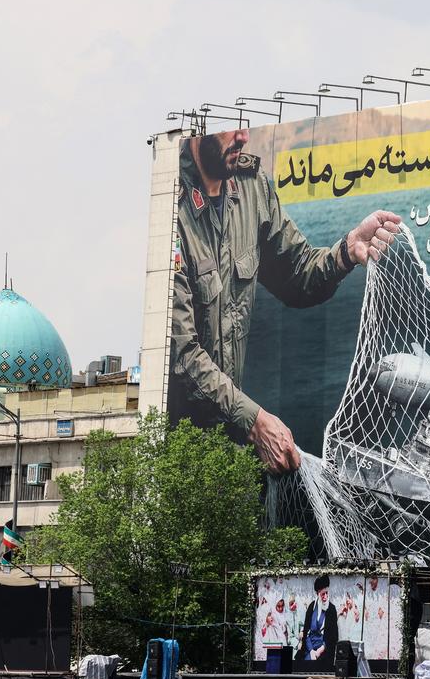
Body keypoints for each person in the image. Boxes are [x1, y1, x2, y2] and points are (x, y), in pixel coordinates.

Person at [168, 127, 401, 473]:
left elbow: (297, 275)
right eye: (234, 127)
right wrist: (256, 421)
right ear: (200, 128)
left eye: (248, 125)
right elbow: (183, 354)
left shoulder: (251, 186)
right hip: (179, 456)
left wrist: (347, 250)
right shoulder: (170, 207)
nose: (244, 137)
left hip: (232, 448)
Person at [296, 576, 339, 663]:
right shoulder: (311, 607)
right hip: (309, 648)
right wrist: (311, 651)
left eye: (327, 593)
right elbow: (306, 631)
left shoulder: (331, 609)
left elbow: (333, 636)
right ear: (317, 594)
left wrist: (319, 651)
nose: (325, 597)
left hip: (324, 650)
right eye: (323, 594)